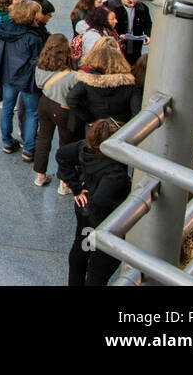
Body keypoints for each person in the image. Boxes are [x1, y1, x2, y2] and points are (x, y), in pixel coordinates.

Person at [57, 118, 131, 285]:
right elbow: (100, 202)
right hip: (105, 224)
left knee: (80, 253)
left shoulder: (84, 148)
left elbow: (62, 155)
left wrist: (76, 188)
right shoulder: (115, 173)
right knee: (99, 268)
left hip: (85, 217)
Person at [0, 0, 47, 161]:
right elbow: (37, 61)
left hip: (8, 74)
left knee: (7, 108)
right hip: (27, 78)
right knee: (32, 113)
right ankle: (29, 149)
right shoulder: (34, 37)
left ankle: (7, 142)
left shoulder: (5, 29)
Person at [66, 37, 141, 138]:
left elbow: (71, 99)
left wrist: (89, 118)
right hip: (119, 128)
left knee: (91, 151)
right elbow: (137, 111)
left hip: (94, 126)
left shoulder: (87, 80)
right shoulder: (129, 84)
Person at [33, 33, 78, 190]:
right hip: (63, 108)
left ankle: (40, 176)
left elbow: (39, 85)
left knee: (43, 138)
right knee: (65, 143)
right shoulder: (73, 75)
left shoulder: (40, 65)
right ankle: (64, 183)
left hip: (44, 103)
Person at [108, 0, 151, 66]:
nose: (132, 5)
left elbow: (148, 23)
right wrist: (118, 34)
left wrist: (147, 34)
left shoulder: (143, 8)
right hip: (117, 42)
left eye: (135, 2)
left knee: (134, 63)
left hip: (135, 42)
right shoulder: (111, 6)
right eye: (130, 2)